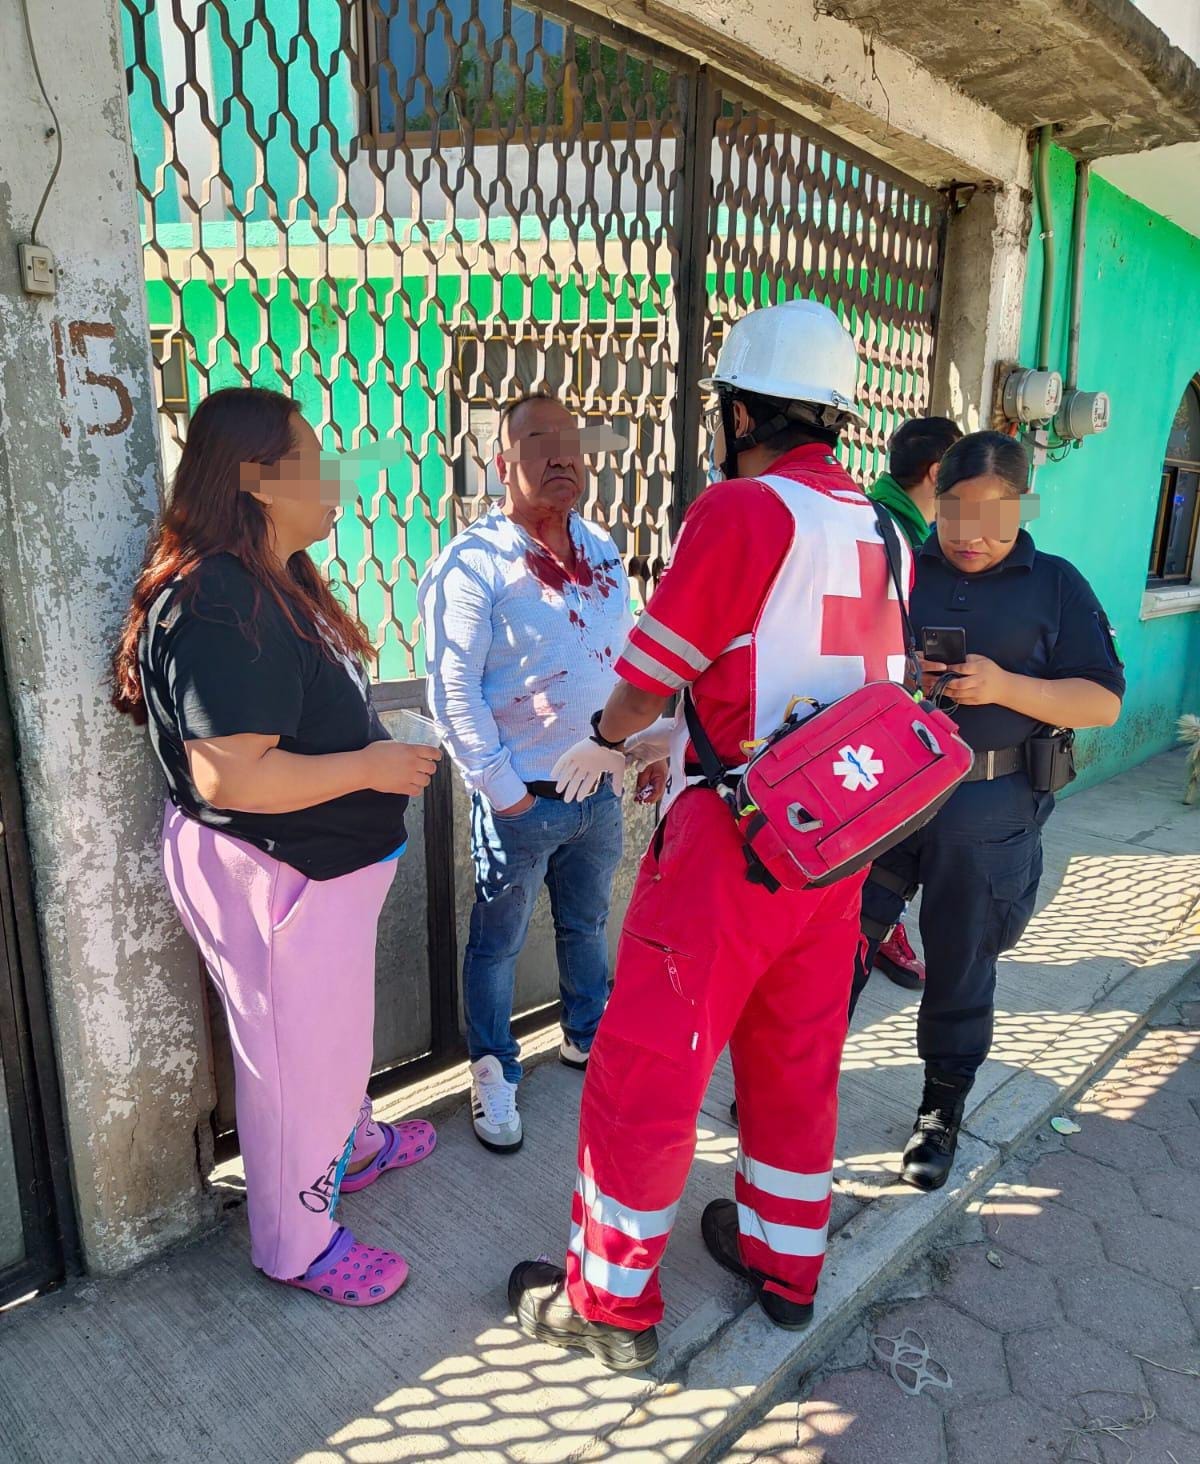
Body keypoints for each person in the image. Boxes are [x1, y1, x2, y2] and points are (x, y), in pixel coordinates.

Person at [506, 298, 913, 1371]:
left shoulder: (744, 511)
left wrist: (607, 736)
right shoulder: (881, 529)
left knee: (647, 1064)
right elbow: (801, 670)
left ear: (741, 411)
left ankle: (608, 1300)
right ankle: (788, 1263)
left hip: (731, 847)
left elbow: (651, 675)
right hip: (831, 845)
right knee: (794, 1057)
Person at [112, 387, 441, 1306]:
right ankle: (295, 1241)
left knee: (327, 1043)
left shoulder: (274, 582)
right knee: (290, 1065)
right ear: (257, 478)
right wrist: (376, 766)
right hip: (270, 876)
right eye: (313, 454)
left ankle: (353, 1145)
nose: (334, 475)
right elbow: (233, 779)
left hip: (321, 875)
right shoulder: (217, 597)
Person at [849, 430, 1124, 1191]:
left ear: (1024, 506)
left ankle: (940, 1110)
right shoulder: (903, 566)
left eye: (996, 516)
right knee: (841, 939)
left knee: (961, 962)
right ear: (934, 499)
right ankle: (797, 1081)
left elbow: (1101, 698)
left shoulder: (1056, 584)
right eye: (958, 512)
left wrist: (1005, 686)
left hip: (990, 807)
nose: (973, 536)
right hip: (890, 795)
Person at [419, 394, 664, 1154]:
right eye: (537, 442)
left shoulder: (603, 550)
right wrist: (506, 795)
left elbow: (623, 662)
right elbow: (450, 688)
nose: (561, 456)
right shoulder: (472, 562)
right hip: (521, 801)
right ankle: (493, 1067)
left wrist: (646, 744)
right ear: (501, 463)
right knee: (496, 945)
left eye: (571, 442)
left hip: (601, 792)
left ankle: (586, 1034)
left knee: (588, 926)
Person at [864, 416, 962, 993]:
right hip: (883, 707)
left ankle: (874, 926)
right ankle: (876, 929)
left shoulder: (878, 514)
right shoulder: (904, 535)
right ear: (935, 474)